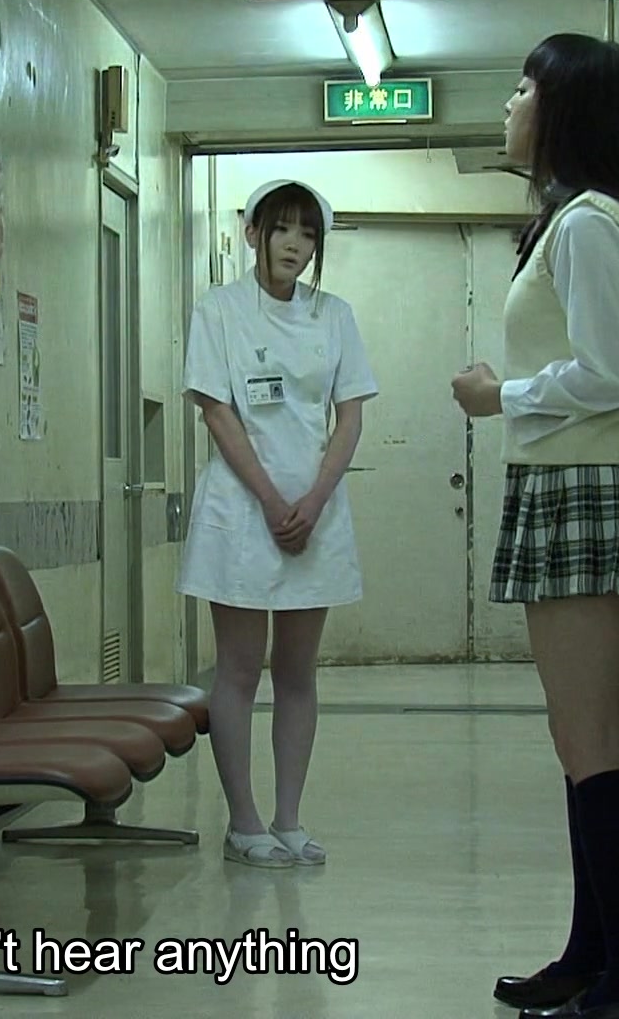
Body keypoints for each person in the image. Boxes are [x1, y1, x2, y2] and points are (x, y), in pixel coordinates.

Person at [451, 33, 619, 1019]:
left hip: (588, 487)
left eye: (523, 89)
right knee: (580, 735)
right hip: (575, 483)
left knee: (592, 738)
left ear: (569, 110)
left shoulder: (591, 223)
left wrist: (499, 395)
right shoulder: (577, 219)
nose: (510, 106)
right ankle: (592, 957)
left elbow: (614, 371)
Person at [177, 179, 377, 869]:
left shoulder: (334, 316)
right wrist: (268, 498)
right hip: (240, 509)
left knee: (297, 671)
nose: (295, 244)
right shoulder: (219, 311)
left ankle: (289, 819)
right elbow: (217, 411)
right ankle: (243, 822)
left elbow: (350, 416)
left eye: (308, 233)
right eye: (282, 229)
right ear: (253, 233)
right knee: (237, 669)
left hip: (313, 511)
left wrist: (314, 500)